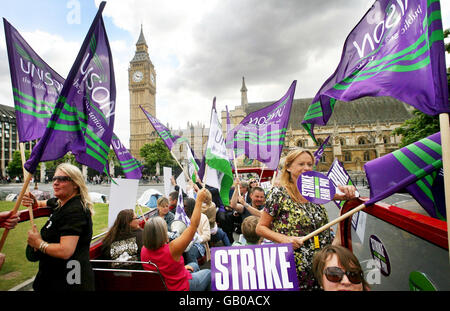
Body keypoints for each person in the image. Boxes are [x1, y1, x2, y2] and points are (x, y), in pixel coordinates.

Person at [256, 148, 356, 290]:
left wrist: (347, 190)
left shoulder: (317, 191)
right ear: (289, 168)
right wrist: (284, 239)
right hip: (295, 265)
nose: (307, 168)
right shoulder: (278, 193)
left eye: (309, 164)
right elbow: (260, 228)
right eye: (301, 164)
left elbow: (344, 195)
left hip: (323, 265)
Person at [22, 163, 95, 291]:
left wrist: (39, 243)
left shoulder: (75, 210)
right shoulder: (60, 202)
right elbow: (42, 203)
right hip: (52, 279)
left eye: (62, 179)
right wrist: (34, 202)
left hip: (68, 282)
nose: (55, 182)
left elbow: (65, 250)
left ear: (75, 183)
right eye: (54, 178)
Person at [141, 188, 211, 291]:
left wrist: (181, 269)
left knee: (194, 265)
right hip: (180, 287)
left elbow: (163, 269)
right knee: (209, 273)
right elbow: (193, 226)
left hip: (163, 284)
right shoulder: (172, 249)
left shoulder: (143, 250)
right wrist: (199, 200)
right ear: (162, 234)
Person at [184, 197, 211, 263]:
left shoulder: (203, 217)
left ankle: (194, 271)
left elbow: (207, 236)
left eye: (184, 206)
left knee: (190, 252)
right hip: (184, 243)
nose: (182, 207)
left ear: (190, 207)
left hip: (199, 244)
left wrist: (195, 240)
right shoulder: (181, 217)